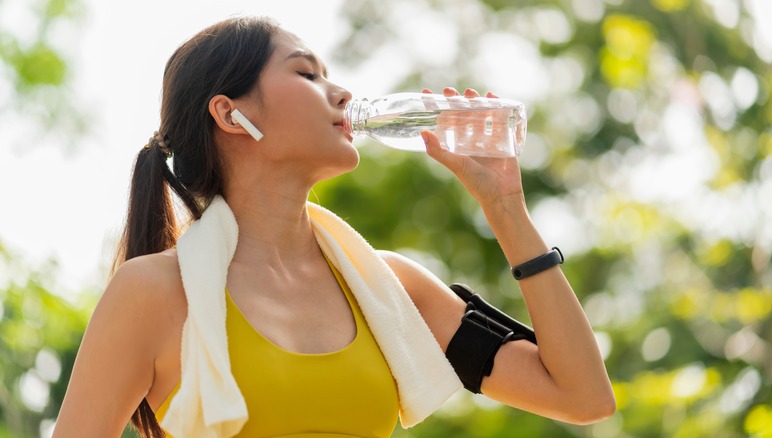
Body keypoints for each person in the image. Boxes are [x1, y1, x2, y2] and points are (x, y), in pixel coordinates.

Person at [53, 15, 615, 438]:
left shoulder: (389, 289)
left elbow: (582, 396)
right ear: (230, 114)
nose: (343, 94)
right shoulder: (153, 293)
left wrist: (507, 209)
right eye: (306, 73)